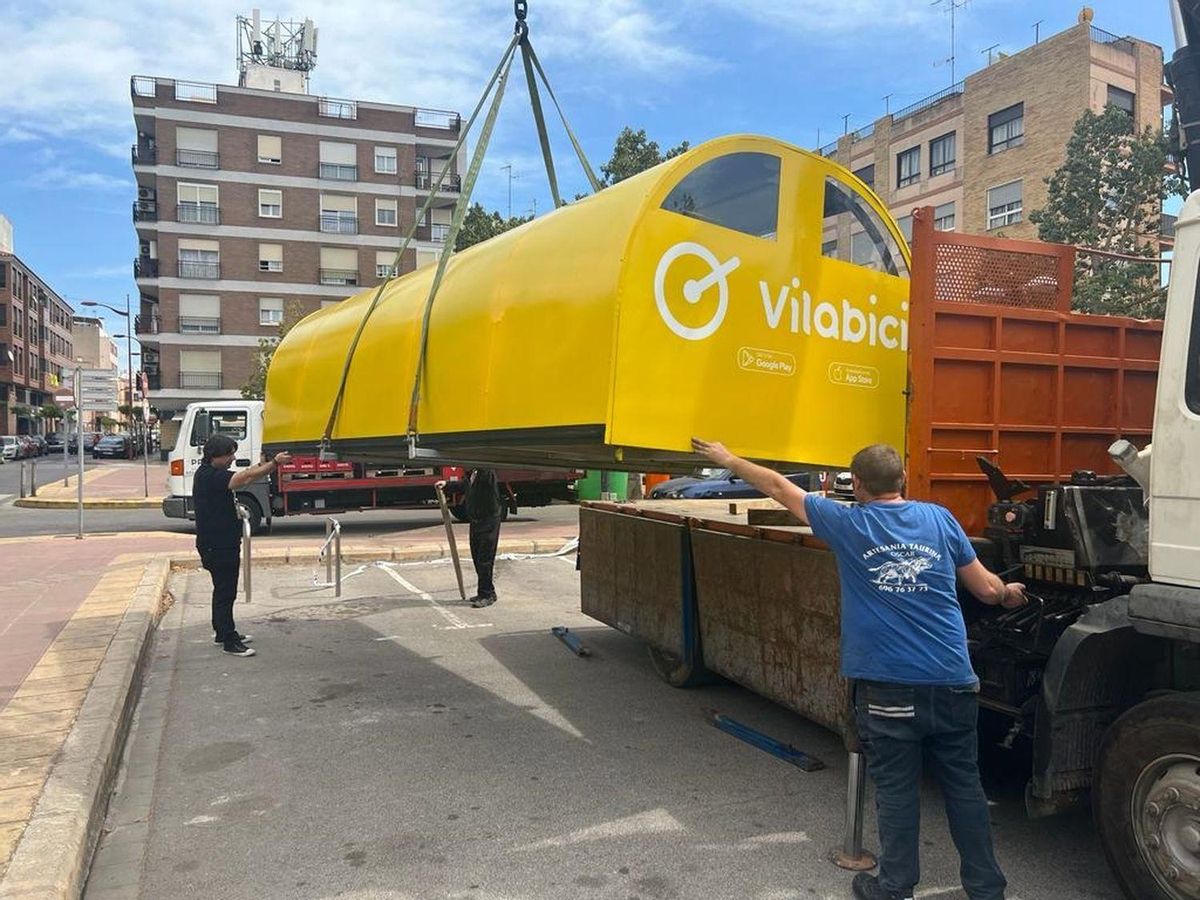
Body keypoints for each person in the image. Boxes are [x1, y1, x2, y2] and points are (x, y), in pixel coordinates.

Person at [692, 438, 1023, 900]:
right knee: (965, 787)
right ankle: (987, 890)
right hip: (953, 681)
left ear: (859, 485)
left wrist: (727, 460)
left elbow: (779, 488)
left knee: (898, 791)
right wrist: (1009, 593)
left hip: (889, 688)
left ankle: (895, 887)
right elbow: (987, 590)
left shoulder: (848, 524)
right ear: (903, 480)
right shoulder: (940, 518)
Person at [193, 434, 290, 657]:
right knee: (226, 592)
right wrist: (274, 464)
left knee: (221, 590)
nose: (232, 458)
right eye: (229, 454)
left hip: (218, 543)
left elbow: (246, 473)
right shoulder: (211, 476)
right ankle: (229, 640)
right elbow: (245, 478)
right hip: (218, 545)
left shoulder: (208, 473)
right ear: (215, 455)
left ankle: (221, 631)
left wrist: (265, 463)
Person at [465, 468, 504, 608]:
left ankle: (486, 594)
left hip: (489, 520)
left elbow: (487, 489)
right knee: (476, 557)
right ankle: (487, 591)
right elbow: (466, 487)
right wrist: (446, 484)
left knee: (485, 560)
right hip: (476, 520)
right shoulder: (472, 473)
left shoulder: (487, 472)